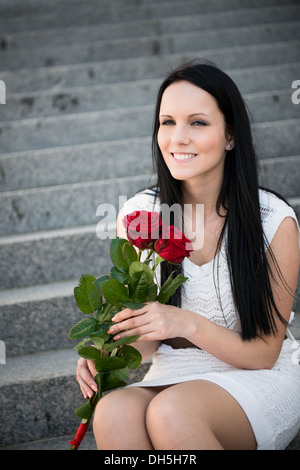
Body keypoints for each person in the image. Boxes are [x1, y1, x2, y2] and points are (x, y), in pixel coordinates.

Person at [76, 61, 300, 450]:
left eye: (197, 122)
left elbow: (265, 352)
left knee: (172, 413)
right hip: (175, 370)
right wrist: (107, 351)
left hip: (260, 374)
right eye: (167, 122)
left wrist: (183, 323)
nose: (178, 138)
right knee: (112, 410)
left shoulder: (273, 221)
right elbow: (148, 338)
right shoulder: (139, 215)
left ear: (230, 135)